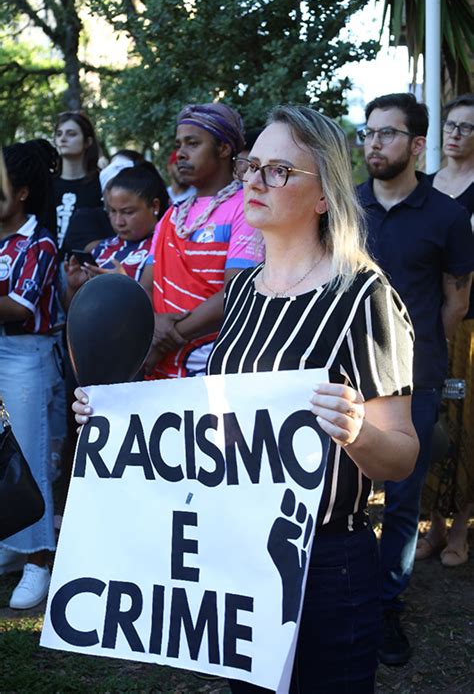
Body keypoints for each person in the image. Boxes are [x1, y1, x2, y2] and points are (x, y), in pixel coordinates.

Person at [74, 104, 419, 693]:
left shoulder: (365, 296)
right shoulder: (243, 291)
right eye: (251, 166)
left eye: (278, 171)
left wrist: (358, 430)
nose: (253, 181)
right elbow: (220, 425)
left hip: (327, 565)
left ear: (323, 196)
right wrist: (115, 420)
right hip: (237, 558)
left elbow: (403, 456)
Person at [357, 92, 474, 665]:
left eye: (388, 133)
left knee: (403, 501)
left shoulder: (448, 217)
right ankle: (338, 594)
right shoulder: (344, 207)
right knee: (337, 492)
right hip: (345, 374)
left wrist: (421, 349)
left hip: (415, 377)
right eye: (369, 132)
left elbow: (455, 302)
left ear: (418, 144)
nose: (373, 143)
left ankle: (385, 609)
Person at [142, 102, 264, 380]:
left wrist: (168, 336)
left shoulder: (246, 208)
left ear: (223, 149)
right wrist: (152, 327)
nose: (180, 154)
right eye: (178, 144)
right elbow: (147, 286)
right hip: (160, 361)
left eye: (192, 143)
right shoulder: (172, 214)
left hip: (213, 362)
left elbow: (237, 293)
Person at [0, 140, 63, 608]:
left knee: (30, 452)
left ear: (21, 192)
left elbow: (21, 308)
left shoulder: (39, 242)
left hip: (26, 354)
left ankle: (40, 558)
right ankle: (10, 547)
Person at [418, 93, 474, 567]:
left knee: (467, 423)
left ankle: (460, 529)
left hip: (470, 327)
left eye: (467, 127)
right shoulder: (427, 187)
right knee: (431, 418)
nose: (455, 134)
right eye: (451, 126)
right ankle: (433, 525)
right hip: (428, 325)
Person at [64, 163, 169, 305]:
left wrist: (125, 287)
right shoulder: (102, 248)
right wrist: (74, 287)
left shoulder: (168, 248)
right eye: (112, 211)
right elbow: (72, 313)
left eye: (128, 212)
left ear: (154, 206)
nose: (119, 222)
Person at [53, 111, 102, 253]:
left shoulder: (100, 184)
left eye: (71, 134)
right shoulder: (47, 185)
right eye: (59, 134)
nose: (62, 139)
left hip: (85, 267)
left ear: (88, 142)